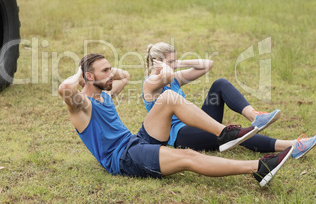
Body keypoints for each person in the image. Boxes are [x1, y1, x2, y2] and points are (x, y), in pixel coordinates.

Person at [59, 53, 294, 187]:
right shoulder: (83, 107)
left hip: (135, 141)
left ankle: (225, 134)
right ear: (89, 77)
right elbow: (64, 88)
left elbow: (126, 76)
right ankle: (259, 168)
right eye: (105, 71)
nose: (111, 75)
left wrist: (104, 72)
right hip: (123, 158)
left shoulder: (106, 96)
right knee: (188, 157)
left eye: (110, 69)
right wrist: (81, 74)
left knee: (169, 96)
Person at [143, 42, 316, 157]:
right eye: (171, 61)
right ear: (158, 61)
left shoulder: (174, 77)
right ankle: (292, 147)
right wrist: (164, 67)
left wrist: (178, 63)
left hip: (196, 122)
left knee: (220, 84)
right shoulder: (150, 84)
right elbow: (164, 77)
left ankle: (255, 116)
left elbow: (207, 65)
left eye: (175, 61)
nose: (174, 65)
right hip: (181, 136)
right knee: (233, 134)